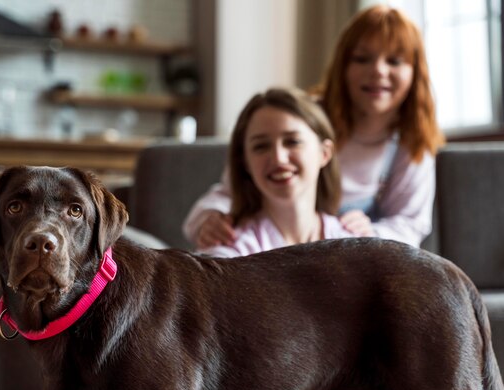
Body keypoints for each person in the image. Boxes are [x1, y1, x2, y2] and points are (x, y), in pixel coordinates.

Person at [184, 4, 444, 249]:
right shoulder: (301, 117)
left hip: (352, 256)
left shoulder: (412, 142)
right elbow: (237, 187)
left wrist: (372, 235)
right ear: (343, 66)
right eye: (362, 59)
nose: (377, 71)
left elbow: (410, 223)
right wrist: (211, 218)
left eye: (394, 61)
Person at [199, 87, 355, 258]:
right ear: (245, 162)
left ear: (324, 153)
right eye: (261, 146)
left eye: (292, 141)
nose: (279, 159)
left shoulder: (354, 242)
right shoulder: (228, 253)